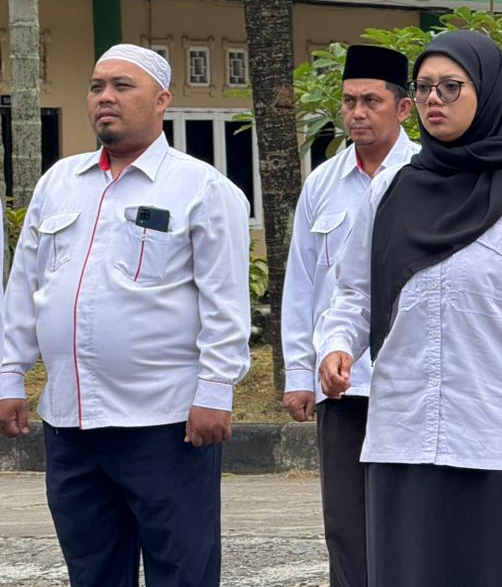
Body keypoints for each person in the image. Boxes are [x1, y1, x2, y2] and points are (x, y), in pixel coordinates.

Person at [315, 30, 502, 587]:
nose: (433, 99)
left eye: (451, 86)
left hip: (498, 439)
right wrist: (337, 344)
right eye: (424, 87)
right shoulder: (392, 189)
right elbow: (355, 292)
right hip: (403, 435)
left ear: (487, 91)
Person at [0, 44, 251, 587]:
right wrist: (9, 375)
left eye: (122, 86)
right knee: (92, 571)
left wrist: (216, 390)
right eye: (97, 87)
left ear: (162, 100)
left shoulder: (202, 188)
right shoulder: (59, 182)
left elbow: (226, 301)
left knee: (182, 571)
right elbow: (25, 287)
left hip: (165, 423)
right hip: (72, 423)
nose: (105, 97)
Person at [280, 44, 417, 587]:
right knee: (345, 522)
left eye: (371, 101)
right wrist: (299, 372)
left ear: (403, 108)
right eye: (349, 101)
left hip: (410, 384)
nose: (357, 113)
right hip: (340, 385)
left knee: (409, 518)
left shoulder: (429, 175)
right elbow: (302, 282)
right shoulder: (322, 183)